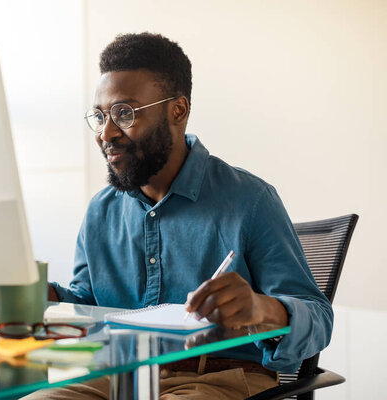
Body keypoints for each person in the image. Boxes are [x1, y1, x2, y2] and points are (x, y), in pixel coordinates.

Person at [39, 32, 332, 399]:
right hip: (116, 378)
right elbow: (90, 305)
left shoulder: (250, 199)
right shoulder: (102, 209)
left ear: (177, 111)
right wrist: (40, 294)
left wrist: (262, 308)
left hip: (217, 379)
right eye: (100, 116)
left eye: (124, 114)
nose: (106, 133)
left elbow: (319, 318)